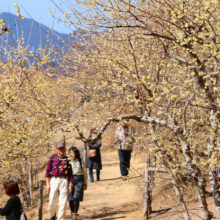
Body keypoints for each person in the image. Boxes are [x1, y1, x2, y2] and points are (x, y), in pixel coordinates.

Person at [45, 139, 73, 220]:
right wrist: (47, 184)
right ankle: (52, 215)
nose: (61, 150)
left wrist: (70, 185)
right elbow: (47, 173)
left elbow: (70, 174)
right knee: (51, 202)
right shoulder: (52, 158)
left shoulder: (67, 159)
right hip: (54, 180)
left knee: (63, 202)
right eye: (60, 149)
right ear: (57, 149)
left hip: (64, 180)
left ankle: (60, 218)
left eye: (63, 148)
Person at [68, 146, 88, 220]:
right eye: (70, 152)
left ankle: (75, 214)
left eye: (72, 152)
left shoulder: (80, 161)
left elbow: (84, 171)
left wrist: (85, 181)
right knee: (70, 198)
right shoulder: (68, 161)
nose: (71, 154)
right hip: (70, 180)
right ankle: (72, 212)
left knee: (76, 197)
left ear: (76, 153)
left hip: (79, 179)